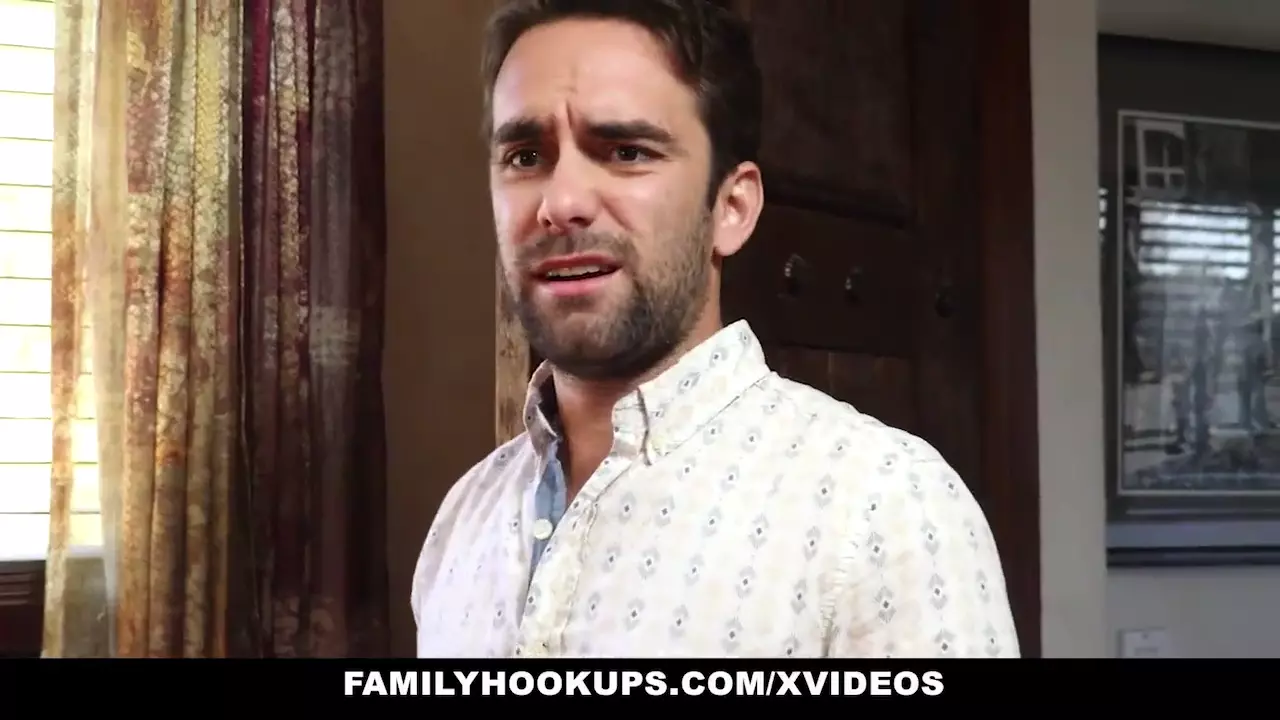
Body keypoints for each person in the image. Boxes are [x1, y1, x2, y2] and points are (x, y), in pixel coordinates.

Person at [411, 0, 1019, 658]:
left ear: (732, 207)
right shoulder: (464, 520)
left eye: (626, 152)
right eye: (525, 156)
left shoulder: (886, 511)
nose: (560, 203)